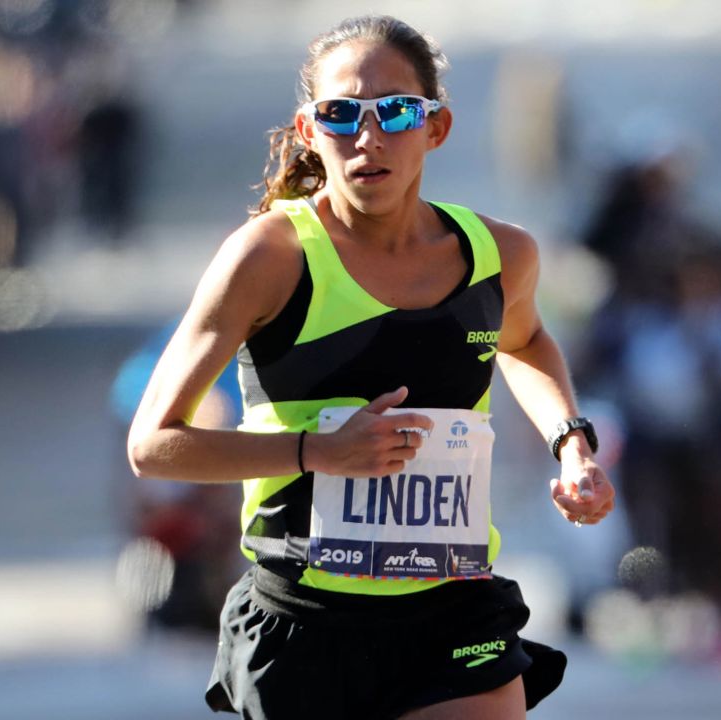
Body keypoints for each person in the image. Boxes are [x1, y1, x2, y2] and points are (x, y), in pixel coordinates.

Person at [126, 15, 615, 720]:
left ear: (436, 127)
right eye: (340, 113)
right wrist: (316, 452)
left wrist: (571, 446)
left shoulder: (500, 255)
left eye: (395, 111)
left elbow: (528, 341)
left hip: (453, 607)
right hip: (306, 614)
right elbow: (152, 445)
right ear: (308, 130)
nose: (368, 136)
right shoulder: (268, 258)